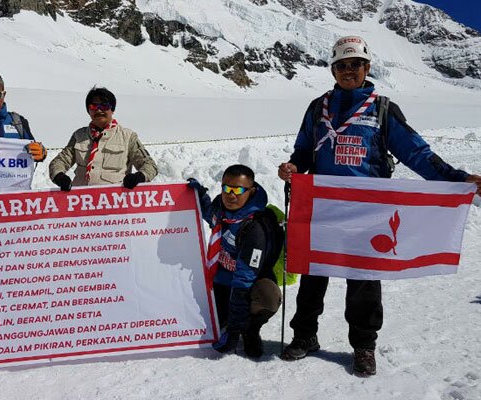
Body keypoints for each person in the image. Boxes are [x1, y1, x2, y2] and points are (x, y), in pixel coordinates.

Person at [277, 35, 481, 376]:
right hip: (323, 208)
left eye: (355, 64)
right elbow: (302, 151)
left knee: (364, 280)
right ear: (333, 69)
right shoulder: (317, 108)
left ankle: (363, 346)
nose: (348, 70)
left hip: (367, 211)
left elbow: (417, 153)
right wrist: (293, 167)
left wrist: (457, 179)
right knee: (313, 274)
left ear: (367, 67)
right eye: (341, 65)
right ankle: (304, 335)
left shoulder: (382, 108)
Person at [188, 165, 282, 358]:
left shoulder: (255, 227)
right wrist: (197, 193)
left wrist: (234, 332)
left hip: (246, 286)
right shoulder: (220, 211)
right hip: (221, 282)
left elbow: (243, 280)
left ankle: (249, 330)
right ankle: (225, 321)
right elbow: (207, 212)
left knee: (268, 297)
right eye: (226, 188)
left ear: (251, 191)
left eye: (238, 190)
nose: (231, 195)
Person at [48, 87, 157, 190]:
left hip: (114, 203)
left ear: (112, 109)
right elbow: (59, 162)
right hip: (82, 202)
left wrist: (139, 177)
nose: (99, 110)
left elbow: (149, 165)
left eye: (104, 106)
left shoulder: (128, 137)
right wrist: (59, 176)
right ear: (88, 110)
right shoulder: (79, 136)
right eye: (93, 106)